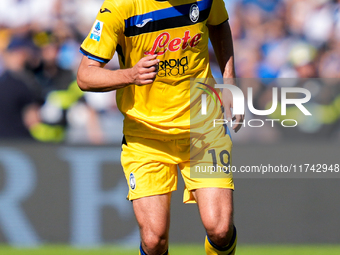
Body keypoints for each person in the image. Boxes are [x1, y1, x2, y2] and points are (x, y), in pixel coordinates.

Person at [77, 0, 244, 254]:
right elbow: (85, 75)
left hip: (204, 125)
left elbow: (219, 25)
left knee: (219, 229)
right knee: (154, 240)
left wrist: (230, 81)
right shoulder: (119, 7)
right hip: (146, 135)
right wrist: (129, 75)